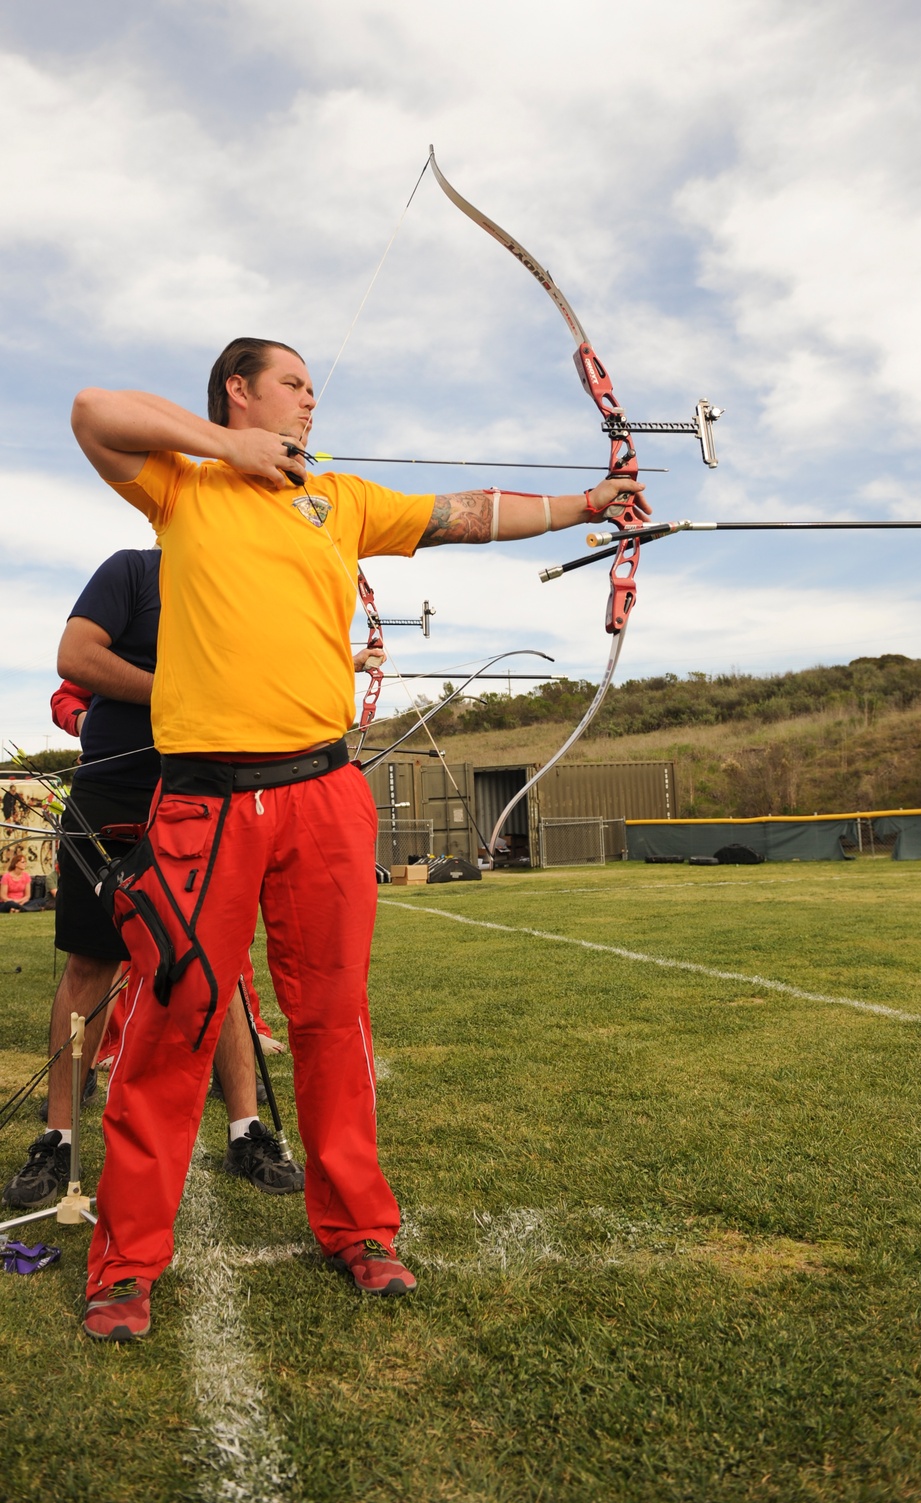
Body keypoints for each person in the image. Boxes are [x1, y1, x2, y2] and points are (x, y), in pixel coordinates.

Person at [71, 335, 647, 1341]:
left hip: (323, 792)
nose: (308, 401)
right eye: (292, 383)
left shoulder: (337, 498)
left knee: (333, 1018)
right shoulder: (187, 483)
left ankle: (358, 1230)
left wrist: (586, 505)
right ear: (239, 391)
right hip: (207, 802)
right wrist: (224, 447)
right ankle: (124, 1265)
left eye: (309, 387)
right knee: (176, 1019)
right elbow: (90, 409)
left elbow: (465, 514)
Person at [1, 552, 305, 1216]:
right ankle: (58, 1137)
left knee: (218, 965)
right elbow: (76, 656)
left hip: (208, 789)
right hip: (115, 786)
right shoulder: (134, 572)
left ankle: (245, 1130)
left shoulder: (245, 582)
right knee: (90, 964)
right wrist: (177, 689)